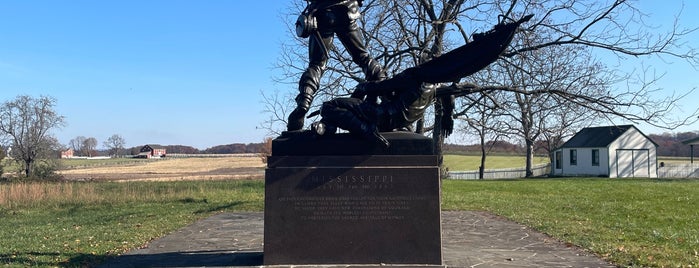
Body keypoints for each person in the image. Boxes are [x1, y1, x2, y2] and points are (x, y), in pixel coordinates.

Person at [314, 15, 534, 147]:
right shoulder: (435, 88)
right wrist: (448, 117)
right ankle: (333, 127)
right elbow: (448, 95)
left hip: (379, 118)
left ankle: (363, 130)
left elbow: (379, 85)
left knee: (328, 106)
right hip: (397, 123)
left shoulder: (413, 76)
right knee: (347, 110)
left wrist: (364, 88)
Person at [287, 0, 385, 131]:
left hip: (321, 14)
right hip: (346, 11)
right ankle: (387, 97)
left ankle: (304, 103)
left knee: (316, 64)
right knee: (364, 58)